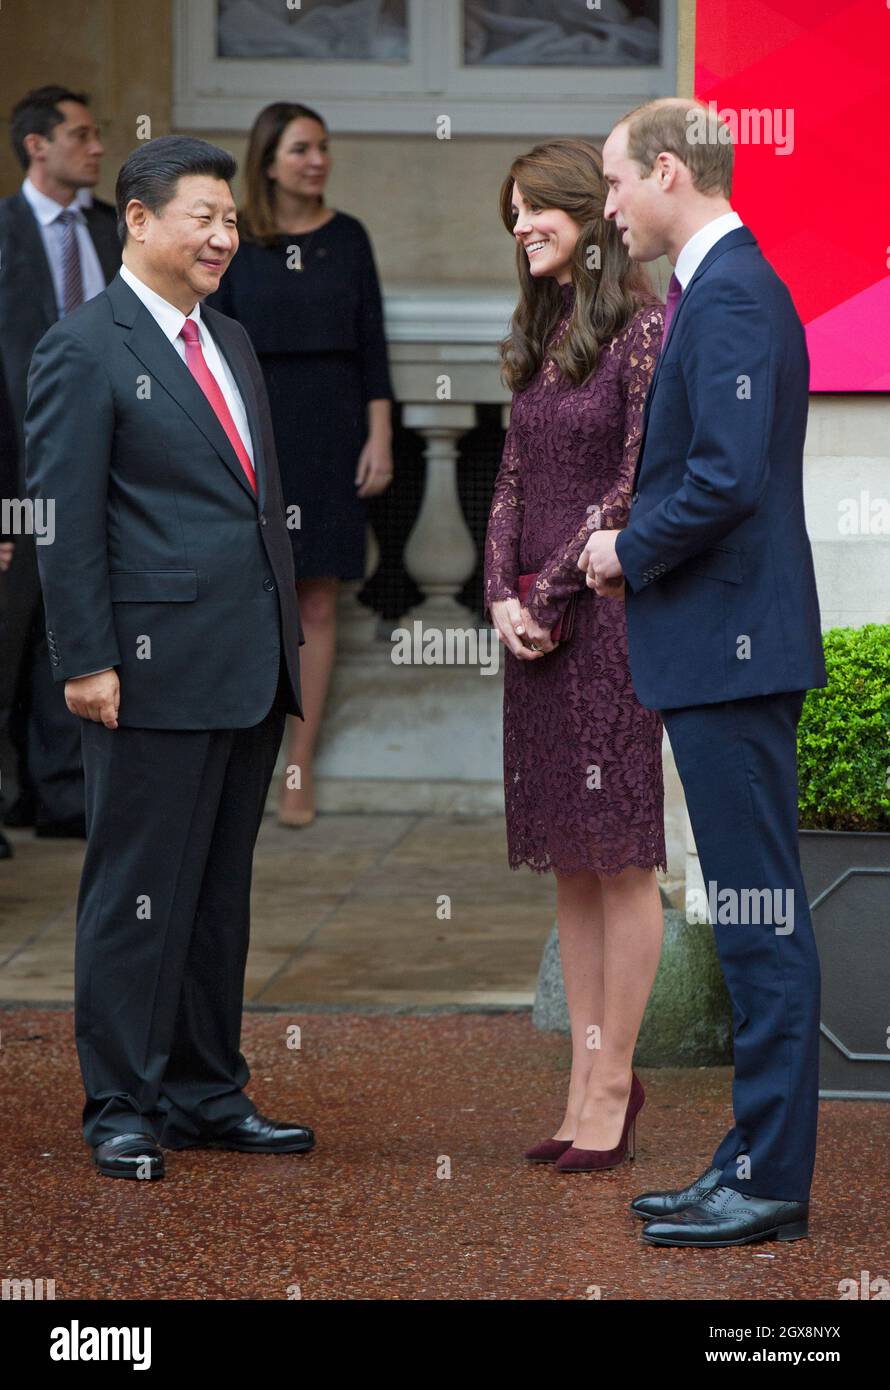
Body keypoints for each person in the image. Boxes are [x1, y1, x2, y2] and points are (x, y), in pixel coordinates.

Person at [25, 135, 314, 1181]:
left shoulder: (229, 340)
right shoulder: (83, 346)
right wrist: (88, 658)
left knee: (213, 893)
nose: (224, 235)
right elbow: (66, 520)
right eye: (203, 214)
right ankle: (121, 1103)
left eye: (231, 219)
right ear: (137, 221)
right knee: (137, 889)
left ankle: (205, 1091)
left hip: (244, 663)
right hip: (145, 670)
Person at [581, 97, 826, 1246]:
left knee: (757, 919)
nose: (608, 209)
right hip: (720, 650)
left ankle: (770, 1179)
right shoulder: (721, 287)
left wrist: (621, 549)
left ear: (668, 172)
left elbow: (724, 478)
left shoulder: (727, 291)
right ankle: (749, 1153)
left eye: (615, 183)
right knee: (745, 913)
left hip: (727, 654)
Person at [484, 140, 665, 1173]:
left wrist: (547, 591)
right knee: (570, 861)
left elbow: (633, 480)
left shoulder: (642, 331)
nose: (519, 228)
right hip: (535, 634)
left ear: (586, 213)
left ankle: (611, 1083)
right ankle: (581, 1082)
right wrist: (499, 593)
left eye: (533, 210)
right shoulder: (541, 328)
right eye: (510, 215)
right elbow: (509, 471)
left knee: (621, 858)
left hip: (605, 623)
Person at [205, 102, 394, 827]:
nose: (317, 160)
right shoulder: (235, 241)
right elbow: (212, 345)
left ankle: (298, 767)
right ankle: (234, 761)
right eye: (301, 149)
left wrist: (378, 435)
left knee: (317, 598)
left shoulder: (348, 237)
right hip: (254, 422)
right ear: (269, 160)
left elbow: (372, 341)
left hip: (332, 424)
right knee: (250, 593)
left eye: (322, 147)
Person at [0, 86, 120, 845]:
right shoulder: (2, 230)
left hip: (99, 467)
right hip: (13, 469)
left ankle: (64, 796)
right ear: (36, 145)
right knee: (8, 629)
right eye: (80, 134)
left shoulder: (115, 229)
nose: (97, 146)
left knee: (72, 622)